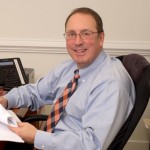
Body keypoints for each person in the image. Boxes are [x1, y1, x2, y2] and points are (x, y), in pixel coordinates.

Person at [0, 7, 135, 150]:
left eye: (86, 33)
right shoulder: (69, 67)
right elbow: (37, 91)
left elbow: (92, 144)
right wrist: (6, 100)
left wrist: (36, 137)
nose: (77, 41)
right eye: (71, 34)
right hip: (51, 141)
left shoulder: (110, 84)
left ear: (101, 38)